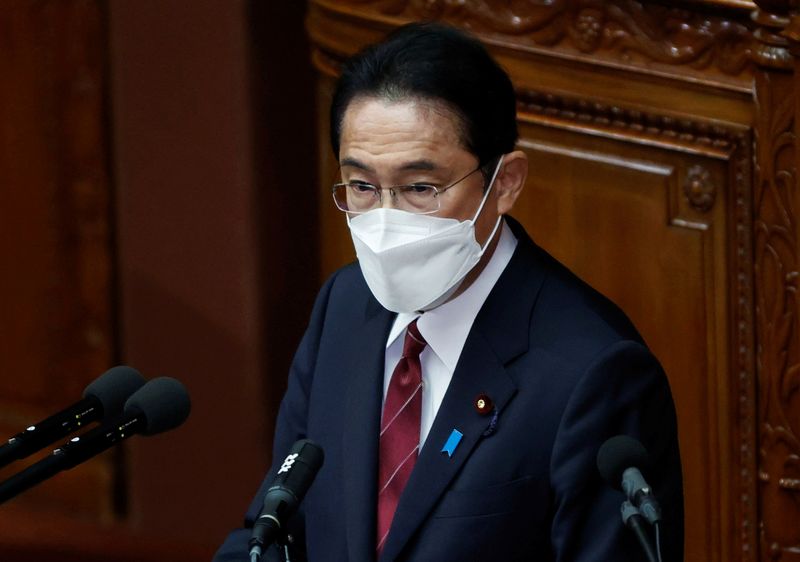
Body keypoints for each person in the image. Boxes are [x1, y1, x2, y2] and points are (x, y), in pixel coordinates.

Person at [214, 22, 683, 562]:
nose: (386, 219)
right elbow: (275, 531)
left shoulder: (595, 372)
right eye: (363, 187)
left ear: (504, 183)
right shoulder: (344, 306)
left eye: (420, 188)